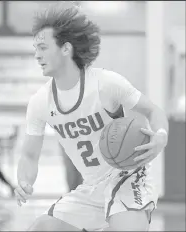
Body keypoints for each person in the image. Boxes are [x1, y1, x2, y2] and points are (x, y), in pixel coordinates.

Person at [14, 2, 169, 231]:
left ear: (66, 48)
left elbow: (153, 111)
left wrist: (161, 136)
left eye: (43, 47)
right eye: (35, 48)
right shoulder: (40, 102)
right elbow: (29, 154)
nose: (37, 55)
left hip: (128, 176)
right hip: (92, 186)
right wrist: (25, 181)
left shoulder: (106, 84)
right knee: (41, 228)